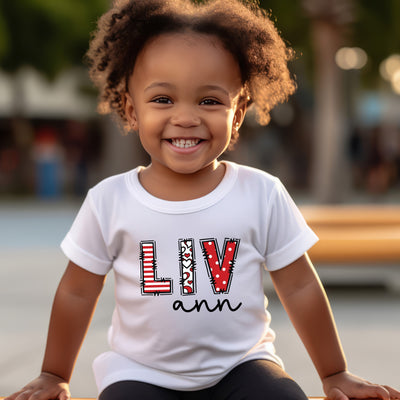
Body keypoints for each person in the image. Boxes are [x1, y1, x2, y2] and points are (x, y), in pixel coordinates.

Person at [6, 1, 400, 399]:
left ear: (239, 111)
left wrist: (334, 373)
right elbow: (77, 291)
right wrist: (53, 374)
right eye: (162, 99)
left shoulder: (261, 193)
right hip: (141, 373)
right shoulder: (109, 200)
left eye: (209, 101)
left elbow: (299, 286)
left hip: (241, 366)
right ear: (131, 109)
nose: (186, 117)